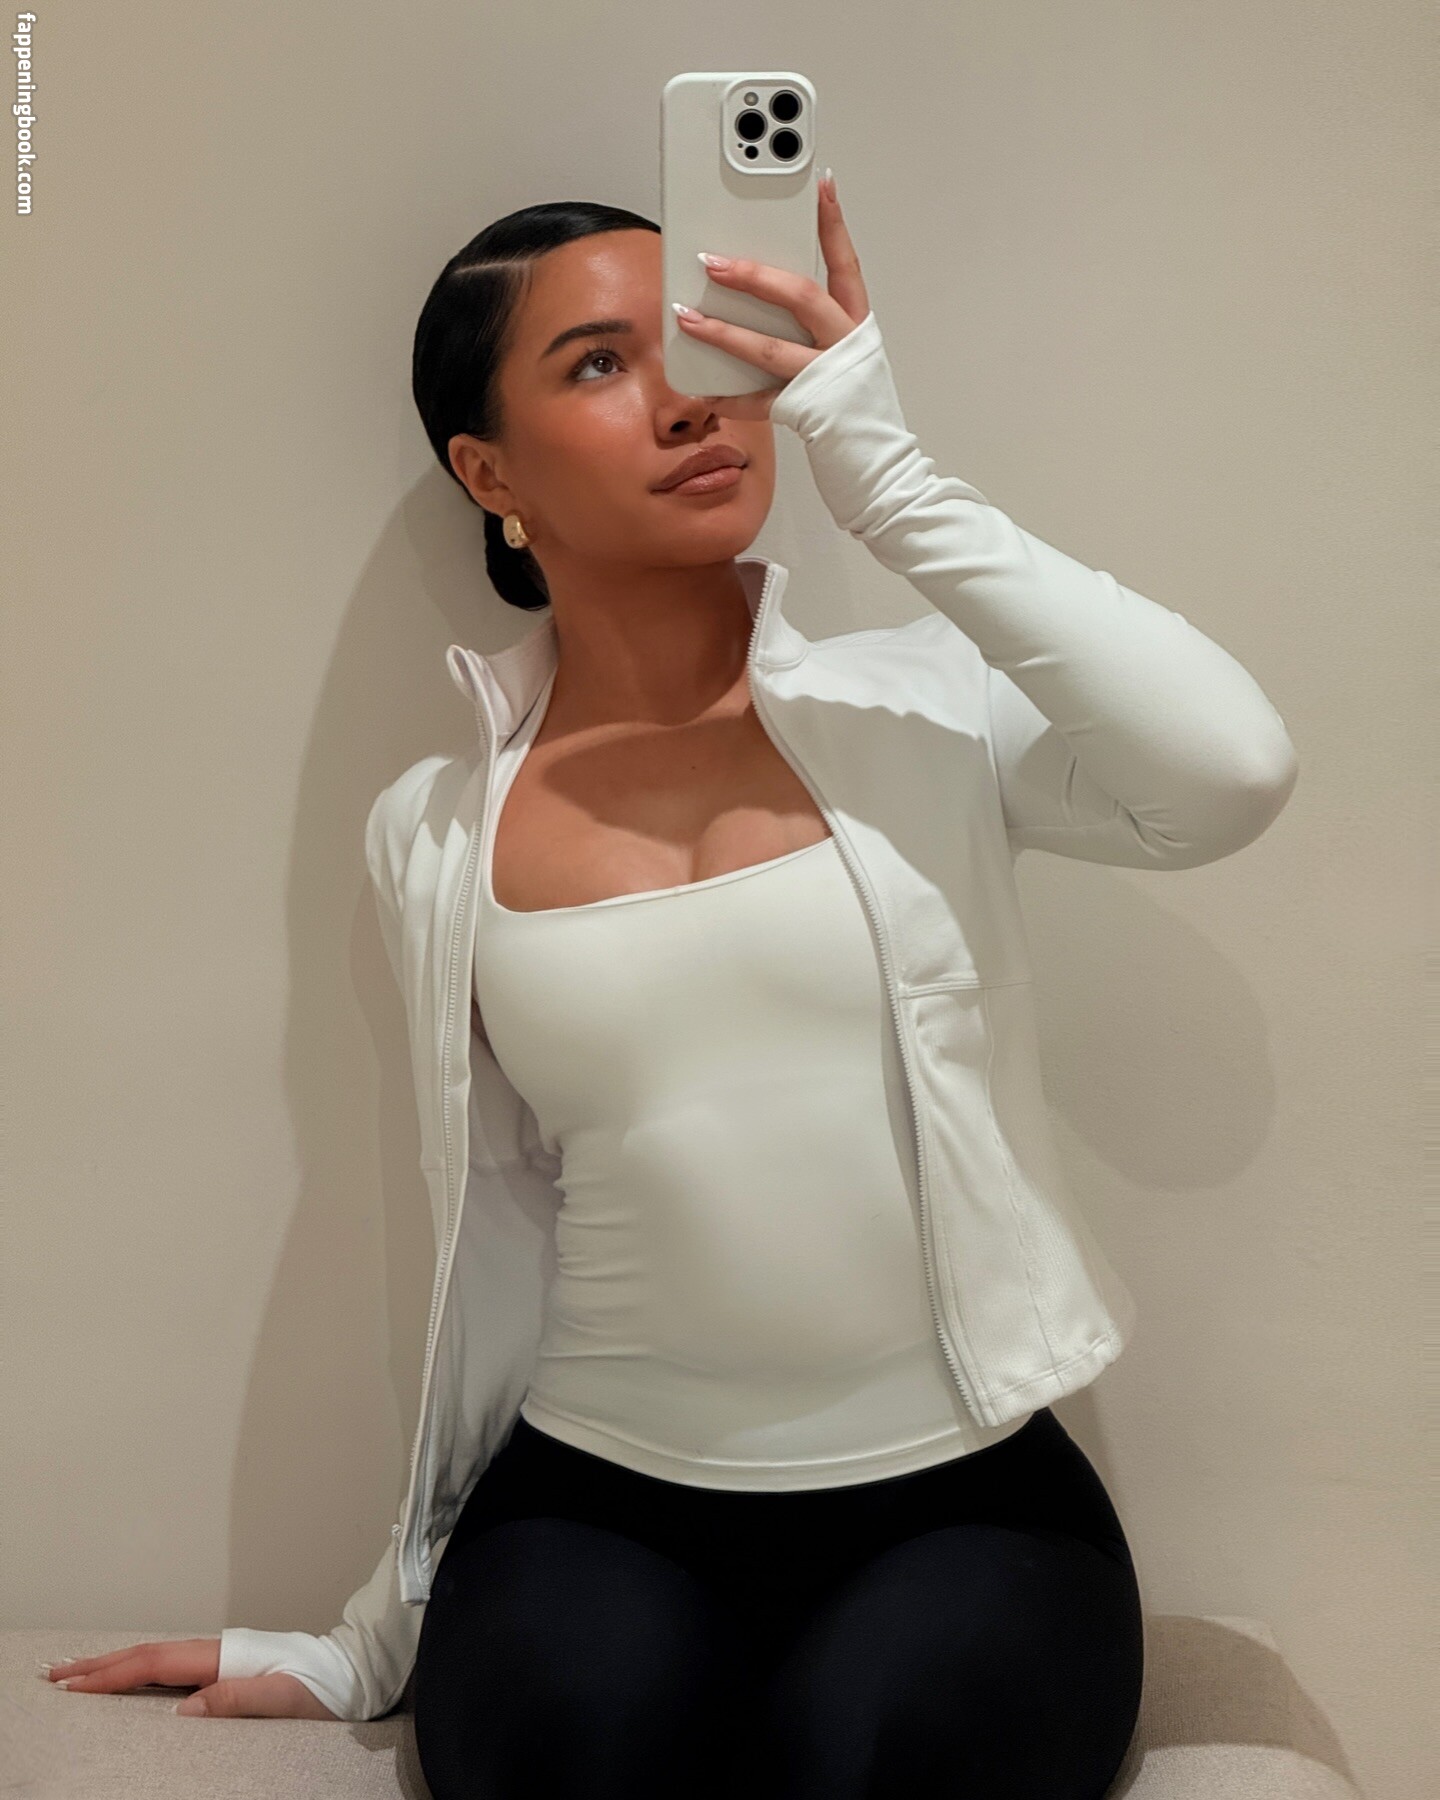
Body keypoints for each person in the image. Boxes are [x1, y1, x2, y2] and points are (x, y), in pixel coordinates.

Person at [46, 175, 1297, 1798]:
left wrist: (892, 478)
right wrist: (370, 1635)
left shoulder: (925, 712)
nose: (691, 400)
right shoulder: (435, 831)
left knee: (896, 1760)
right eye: (598, 361)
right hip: (593, 1504)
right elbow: (483, 1228)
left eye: (706, 348)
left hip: (962, 1503)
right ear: (488, 473)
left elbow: (1229, 773)